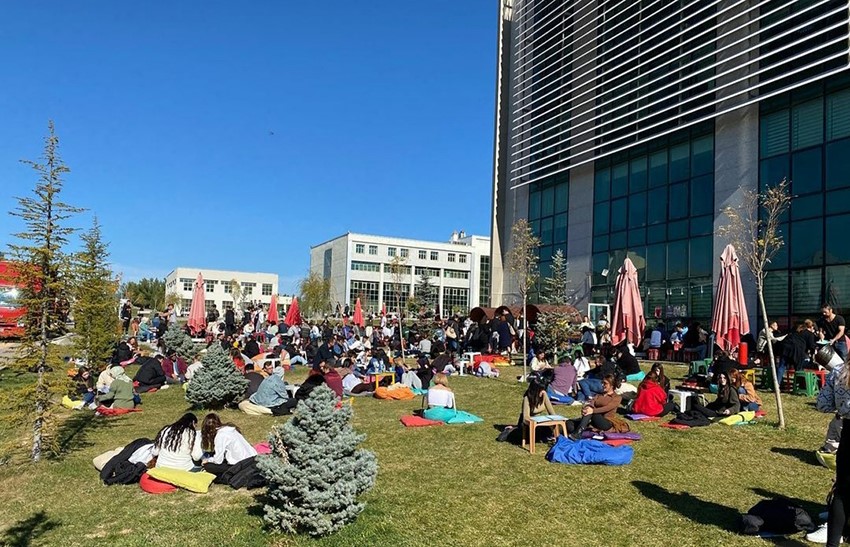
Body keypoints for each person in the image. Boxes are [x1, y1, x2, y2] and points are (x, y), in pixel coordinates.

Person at [812, 358, 850, 545]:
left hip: (848, 435)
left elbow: (822, 404)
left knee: (842, 493)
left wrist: (842, 407)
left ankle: (833, 543)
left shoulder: (839, 371)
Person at [567, 374, 623, 439]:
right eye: (602, 383)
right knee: (569, 423)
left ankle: (578, 434)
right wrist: (586, 408)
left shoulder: (617, 398)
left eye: (605, 383)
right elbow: (591, 403)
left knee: (593, 414)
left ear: (612, 385)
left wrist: (592, 411)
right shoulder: (598, 395)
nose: (602, 385)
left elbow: (607, 408)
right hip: (592, 420)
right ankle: (577, 431)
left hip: (606, 422)